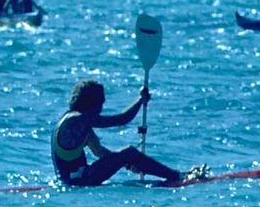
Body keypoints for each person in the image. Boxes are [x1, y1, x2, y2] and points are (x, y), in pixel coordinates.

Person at [51, 80, 185, 187]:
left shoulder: (79, 125)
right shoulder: (76, 120)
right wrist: (140, 100)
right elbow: (122, 119)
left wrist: (129, 164)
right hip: (80, 181)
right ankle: (177, 176)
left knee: (128, 155)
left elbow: (99, 152)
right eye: (101, 105)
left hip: (73, 180)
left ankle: (174, 175)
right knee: (129, 152)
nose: (101, 110)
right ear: (93, 104)